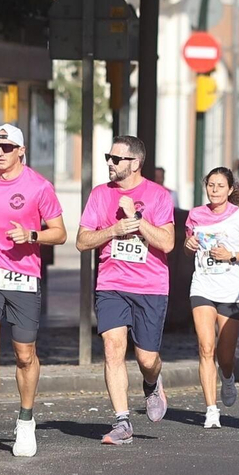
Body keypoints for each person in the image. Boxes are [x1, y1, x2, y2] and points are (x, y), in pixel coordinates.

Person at [0, 124, 65, 458]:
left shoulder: (39, 187)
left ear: (21, 151)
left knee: (24, 354)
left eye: (7, 148)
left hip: (23, 275)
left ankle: (25, 421)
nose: (1, 153)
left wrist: (32, 236)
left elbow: (60, 233)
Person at [76, 135, 176, 445]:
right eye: (108, 156)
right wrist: (114, 230)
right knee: (112, 347)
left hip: (150, 286)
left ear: (134, 163)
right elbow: (82, 241)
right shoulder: (99, 195)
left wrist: (135, 218)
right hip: (111, 284)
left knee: (147, 359)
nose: (109, 162)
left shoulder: (158, 196)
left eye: (115, 158)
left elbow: (167, 243)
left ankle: (152, 382)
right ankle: (122, 422)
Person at [184, 167, 239, 428]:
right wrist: (188, 246)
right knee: (205, 348)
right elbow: (189, 246)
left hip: (232, 290)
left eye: (220, 186)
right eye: (211, 185)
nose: (214, 190)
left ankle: (227, 376)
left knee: (225, 354)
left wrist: (232, 255)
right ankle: (211, 409)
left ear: (230, 189)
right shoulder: (196, 215)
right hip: (202, 287)